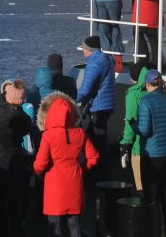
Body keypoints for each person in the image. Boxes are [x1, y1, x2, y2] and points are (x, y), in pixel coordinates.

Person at [33, 92, 99, 237]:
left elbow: (40, 164)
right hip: (74, 183)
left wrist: (37, 171)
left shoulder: (48, 136)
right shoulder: (80, 133)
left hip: (54, 186)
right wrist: (82, 169)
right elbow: (93, 157)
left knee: (54, 226)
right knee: (74, 224)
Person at [136, 70, 166, 237]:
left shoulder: (146, 101)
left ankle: (153, 232)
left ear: (148, 84)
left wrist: (133, 125)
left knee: (152, 199)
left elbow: (144, 130)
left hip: (152, 157)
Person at [0, 79, 33, 237]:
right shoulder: (20, 117)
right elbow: (27, 126)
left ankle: (1, 232)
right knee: (15, 203)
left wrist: (2, 101)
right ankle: (17, 231)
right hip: (14, 162)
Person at [76, 35, 116, 179]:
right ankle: (102, 174)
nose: (83, 52)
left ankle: (101, 175)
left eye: (84, 49)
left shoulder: (94, 63)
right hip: (106, 105)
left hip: (97, 107)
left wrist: (72, 100)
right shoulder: (105, 59)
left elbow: (85, 90)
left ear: (89, 50)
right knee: (99, 141)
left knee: (96, 142)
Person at [119, 60, 151, 191]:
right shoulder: (159, 91)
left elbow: (130, 120)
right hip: (160, 149)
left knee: (141, 186)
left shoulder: (134, 94)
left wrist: (125, 145)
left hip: (140, 148)